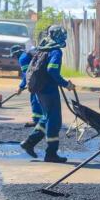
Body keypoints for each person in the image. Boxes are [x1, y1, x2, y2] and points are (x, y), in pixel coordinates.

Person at [20, 26, 75, 163]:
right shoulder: (55, 51)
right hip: (49, 90)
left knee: (46, 118)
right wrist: (65, 84)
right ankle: (51, 153)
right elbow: (52, 70)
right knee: (54, 121)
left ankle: (29, 142)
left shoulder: (43, 48)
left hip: (40, 89)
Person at [10, 45, 42, 127]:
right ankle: (42, 120)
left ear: (17, 53)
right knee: (41, 99)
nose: (14, 58)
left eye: (14, 56)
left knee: (35, 100)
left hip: (37, 81)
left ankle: (37, 121)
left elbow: (27, 75)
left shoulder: (22, 58)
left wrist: (20, 87)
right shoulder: (27, 55)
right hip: (41, 78)